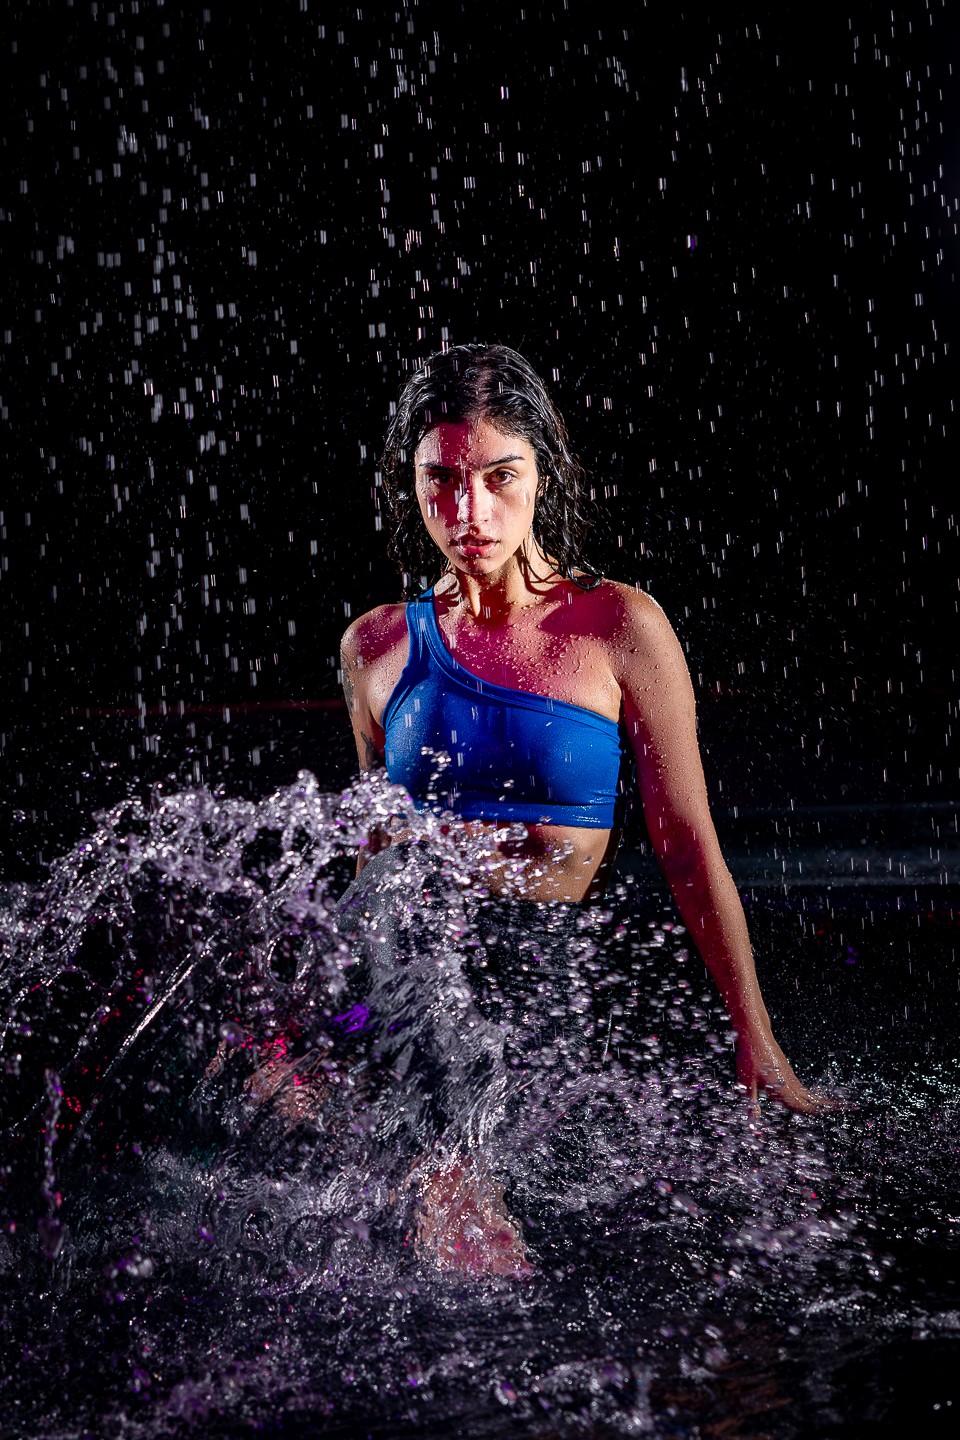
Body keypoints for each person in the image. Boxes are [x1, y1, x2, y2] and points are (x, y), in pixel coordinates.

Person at [338, 343, 830, 1276]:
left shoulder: (617, 627)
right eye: (441, 480)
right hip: (408, 966)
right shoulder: (376, 645)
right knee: (392, 884)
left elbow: (687, 847)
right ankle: (451, 1191)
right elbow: (368, 859)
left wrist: (757, 1039)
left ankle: (448, 1187)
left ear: (542, 475)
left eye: (499, 476)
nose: (470, 513)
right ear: (411, 483)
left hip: (534, 970)